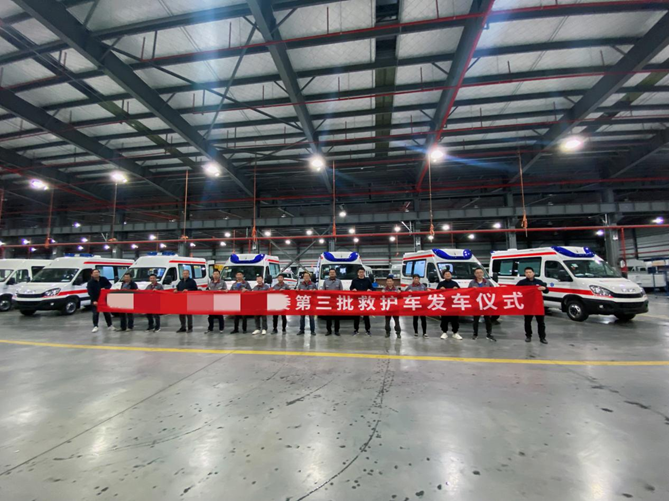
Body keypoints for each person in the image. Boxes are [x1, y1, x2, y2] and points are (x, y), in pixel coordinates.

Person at [516, 267, 549, 344]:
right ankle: (528, 336)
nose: (528, 274)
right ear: (525, 274)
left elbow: (547, 291)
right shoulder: (522, 282)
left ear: (533, 273)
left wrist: (544, 288)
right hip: (528, 305)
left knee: (541, 322)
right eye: (526, 272)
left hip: (538, 305)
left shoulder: (539, 282)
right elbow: (514, 290)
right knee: (527, 322)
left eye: (530, 272)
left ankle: (542, 337)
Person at [468, 267, 496, 342]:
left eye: (480, 272)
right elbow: (468, 292)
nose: (479, 274)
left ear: (483, 273)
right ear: (475, 274)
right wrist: (472, 290)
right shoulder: (472, 283)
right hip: (476, 304)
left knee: (488, 320)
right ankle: (475, 334)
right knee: (475, 320)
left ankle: (489, 334)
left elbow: (494, 291)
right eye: (477, 273)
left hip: (486, 303)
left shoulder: (487, 282)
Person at [437, 269, 462, 340]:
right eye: (446, 274)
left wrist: (457, 289)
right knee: (444, 319)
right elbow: (436, 293)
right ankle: (444, 332)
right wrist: (440, 289)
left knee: (455, 319)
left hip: (454, 304)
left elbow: (461, 293)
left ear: (451, 275)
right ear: (443, 276)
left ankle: (455, 332)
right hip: (444, 304)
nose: (447, 275)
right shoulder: (441, 283)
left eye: (449, 274)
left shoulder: (455, 283)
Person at [87, 269, 112, 333]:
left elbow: (109, 285)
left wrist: (105, 288)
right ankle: (95, 326)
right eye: (94, 273)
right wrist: (94, 300)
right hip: (95, 300)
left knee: (107, 313)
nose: (96, 274)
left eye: (97, 272)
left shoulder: (103, 279)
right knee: (95, 314)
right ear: (92, 274)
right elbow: (90, 292)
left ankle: (110, 325)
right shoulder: (90, 282)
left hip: (104, 299)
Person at [350, 268, 374, 335]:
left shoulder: (367, 280)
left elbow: (372, 288)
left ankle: (367, 329)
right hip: (357, 300)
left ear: (364, 273)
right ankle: (356, 329)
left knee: (366, 316)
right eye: (360, 272)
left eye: (362, 272)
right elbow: (351, 288)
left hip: (365, 300)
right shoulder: (354, 280)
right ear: (358, 273)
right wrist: (353, 289)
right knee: (356, 316)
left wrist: (370, 290)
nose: (361, 273)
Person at [320, 268, 342, 336]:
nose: (332, 273)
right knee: (328, 318)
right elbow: (323, 292)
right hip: (328, 302)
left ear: (335, 273)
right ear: (329, 274)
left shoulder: (339, 281)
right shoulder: (325, 282)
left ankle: (336, 331)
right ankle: (329, 330)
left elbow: (341, 292)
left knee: (337, 318)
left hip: (336, 302)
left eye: (333, 272)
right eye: (331, 272)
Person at [175, 269, 198, 333]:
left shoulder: (192, 281)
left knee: (189, 315)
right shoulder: (181, 282)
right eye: (184, 273)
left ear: (189, 274)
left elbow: (195, 289)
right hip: (181, 300)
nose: (185, 274)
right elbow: (178, 288)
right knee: (181, 314)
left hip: (189, 300)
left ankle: (190, 328)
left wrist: (188, 290)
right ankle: (183, 327)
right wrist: (176, 290)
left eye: (186, 273)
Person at [206, 270, 227, 334]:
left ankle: (221, 328)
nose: (215, 275)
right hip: (211, 301)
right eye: (214, 274)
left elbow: (226, 290)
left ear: (219, 275)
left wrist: (222, 291)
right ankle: (210, 328)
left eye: (217, 274)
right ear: (213, 275)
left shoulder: (222, 282)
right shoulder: (210, 282)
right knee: (210, 316)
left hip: (219, 301)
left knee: (220, 316)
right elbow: (207, 289)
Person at [297, 271, 316, 335]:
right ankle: (301, 330)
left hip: (311, 303)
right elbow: (297, 293)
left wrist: (315, 291)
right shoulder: (300, 285)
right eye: (305, 276)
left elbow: (317, 293)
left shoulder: (313, 284)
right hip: (303, 303)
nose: (306, 277)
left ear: (309, 277)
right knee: (302, 317)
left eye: (307, 276)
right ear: (303, 277)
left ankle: (312, 331)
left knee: (311, 318)